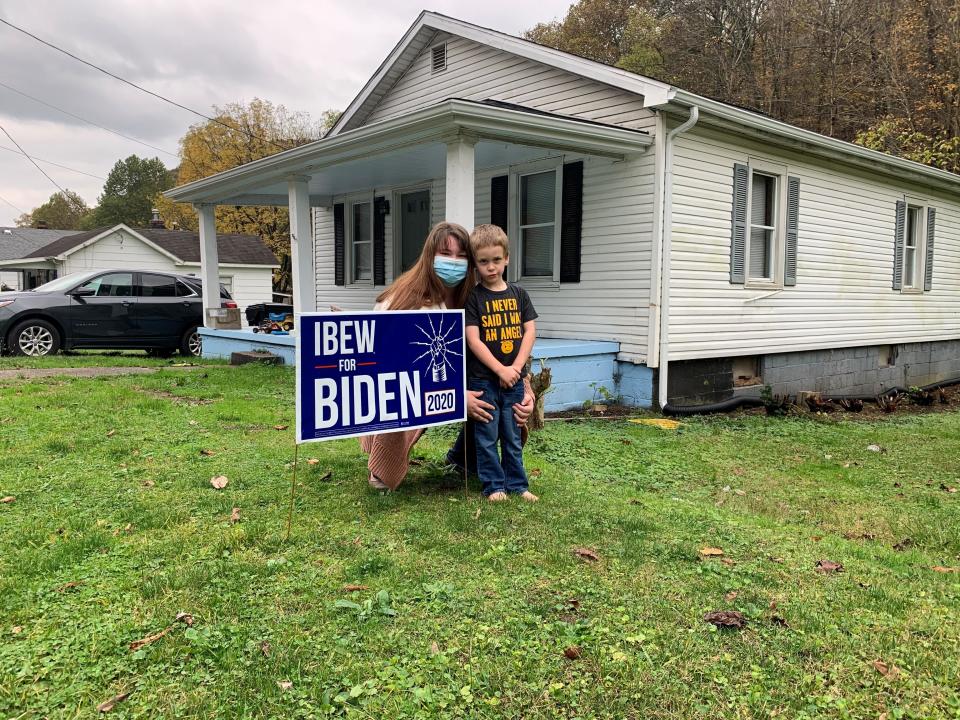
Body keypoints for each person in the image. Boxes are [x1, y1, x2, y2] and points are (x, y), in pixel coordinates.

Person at [359, 221, 533, 491]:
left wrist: (527, 393)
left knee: (498, 399)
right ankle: (383, 465)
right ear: (430, 256)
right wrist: (454, 396)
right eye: (445, 253)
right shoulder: (402, 301)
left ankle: (467, 458)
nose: (454, 261)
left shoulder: (477, 299)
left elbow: (506, 342)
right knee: (399, 400)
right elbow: (392, 369)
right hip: (406, 381)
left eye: (462, 256)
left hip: (467, 377)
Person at [464, 224, 539, 502]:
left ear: (507, 257)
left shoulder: (519, 295)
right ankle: (494, 486)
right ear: (475, 264)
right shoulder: (474, 297)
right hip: (484, 380)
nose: (491, 267)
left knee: (512, 433)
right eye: (483, 262)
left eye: (496, 260)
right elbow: (473, 339)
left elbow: (529, 332)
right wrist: (500, 369)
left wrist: (515, 370)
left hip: (514, 380)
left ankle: (519, 485)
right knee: (486, 434)